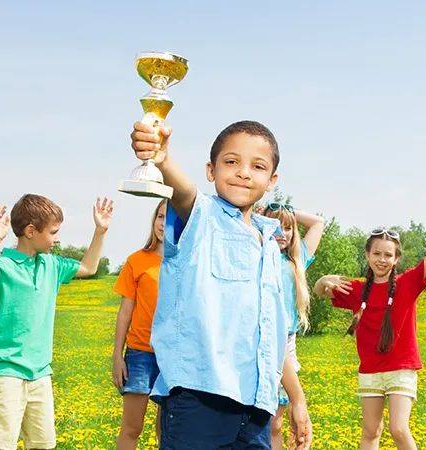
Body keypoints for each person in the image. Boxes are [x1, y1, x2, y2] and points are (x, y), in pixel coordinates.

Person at [129, 119, 313, 449]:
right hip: (199, 399)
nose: (243, 172)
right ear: (210, 170)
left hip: (257, 407)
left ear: (272, 180)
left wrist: (297, 399)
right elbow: (184, 192)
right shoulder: (200, 217)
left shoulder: (271, 245)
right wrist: (162, 157)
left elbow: (272, 334)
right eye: (231, 162)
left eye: (257, 166)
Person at [0, 194, 114, 450]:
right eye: (53, 232)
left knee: (44, 444)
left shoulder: (51, 265)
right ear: (31, 231)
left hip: (40, 374)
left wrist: (100, 231)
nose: (57, 239)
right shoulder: (3, 266)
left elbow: (89, 268)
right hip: (5, 372)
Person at [313, 201, 426, 450]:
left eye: (388, 255)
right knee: (371, 431)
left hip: (401, 368)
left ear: (396, 259)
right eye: (377, 254)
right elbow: (321, 293)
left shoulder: (408, 284)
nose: (382, 260)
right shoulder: (357, 289)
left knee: (398, 428)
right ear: (367, 255)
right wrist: (322, 280)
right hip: (370, 370)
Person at [261, 203, 324, 450]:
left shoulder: (297, 260)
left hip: (287, 341)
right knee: (263, 418)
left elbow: (318, 222)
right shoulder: (257, 254)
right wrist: (263, 217)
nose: (282, 233)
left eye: (288, 228)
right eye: (276, 226)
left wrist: (285, 212)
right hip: (263, 337)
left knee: (276, 421)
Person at [111, 200, 167, 449]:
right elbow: (125, 311)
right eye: (160, 217)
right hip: (140, 353)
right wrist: (117, 356)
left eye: (171, 218)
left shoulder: (188, 262)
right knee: (132, 428)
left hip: (175, 356)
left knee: (167, 430)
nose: (164, 224)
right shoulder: (137, 260)